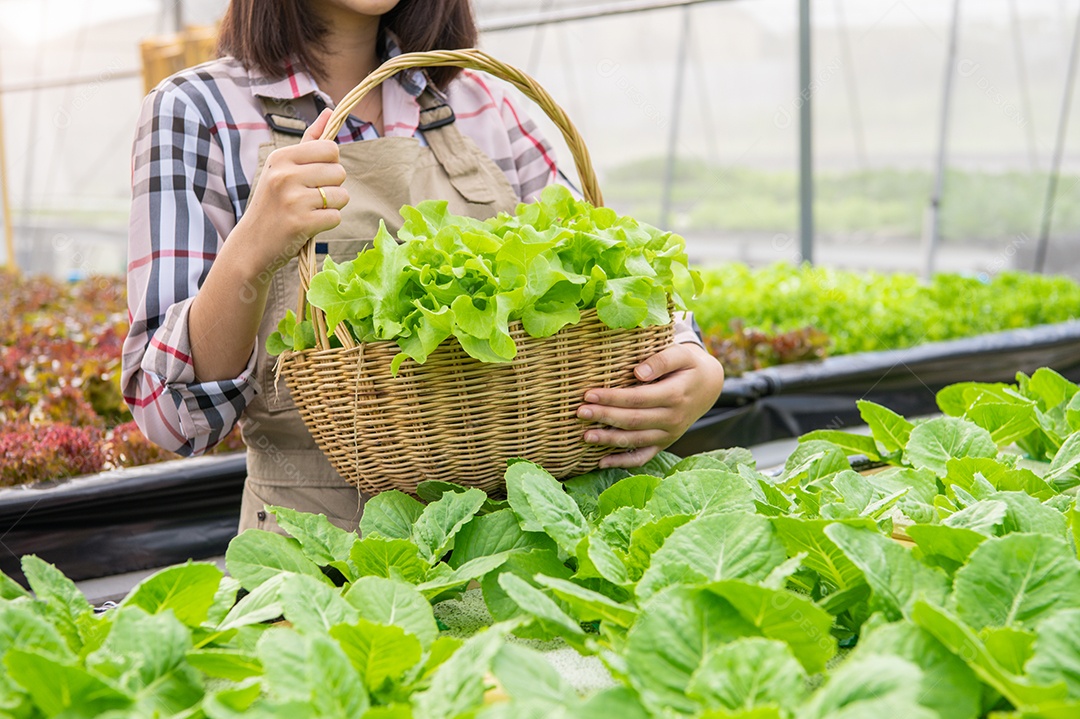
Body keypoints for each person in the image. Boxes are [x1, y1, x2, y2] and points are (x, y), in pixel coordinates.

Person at [121, 0, 725, 534]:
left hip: (519, 548)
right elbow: (174, 418)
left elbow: (607, 261)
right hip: (322, 569)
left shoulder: (482, 101)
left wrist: (689, 370)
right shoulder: (194, 111)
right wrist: (250, 249)